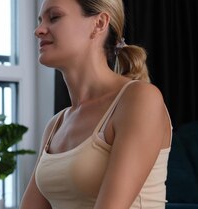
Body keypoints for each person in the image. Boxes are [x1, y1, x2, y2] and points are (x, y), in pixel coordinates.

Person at [20, 0, 172, 208]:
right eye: (40, 21)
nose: (38, 30)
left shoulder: (139, 100)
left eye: (54, 17)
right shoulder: (56, 124)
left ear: (99, 23)